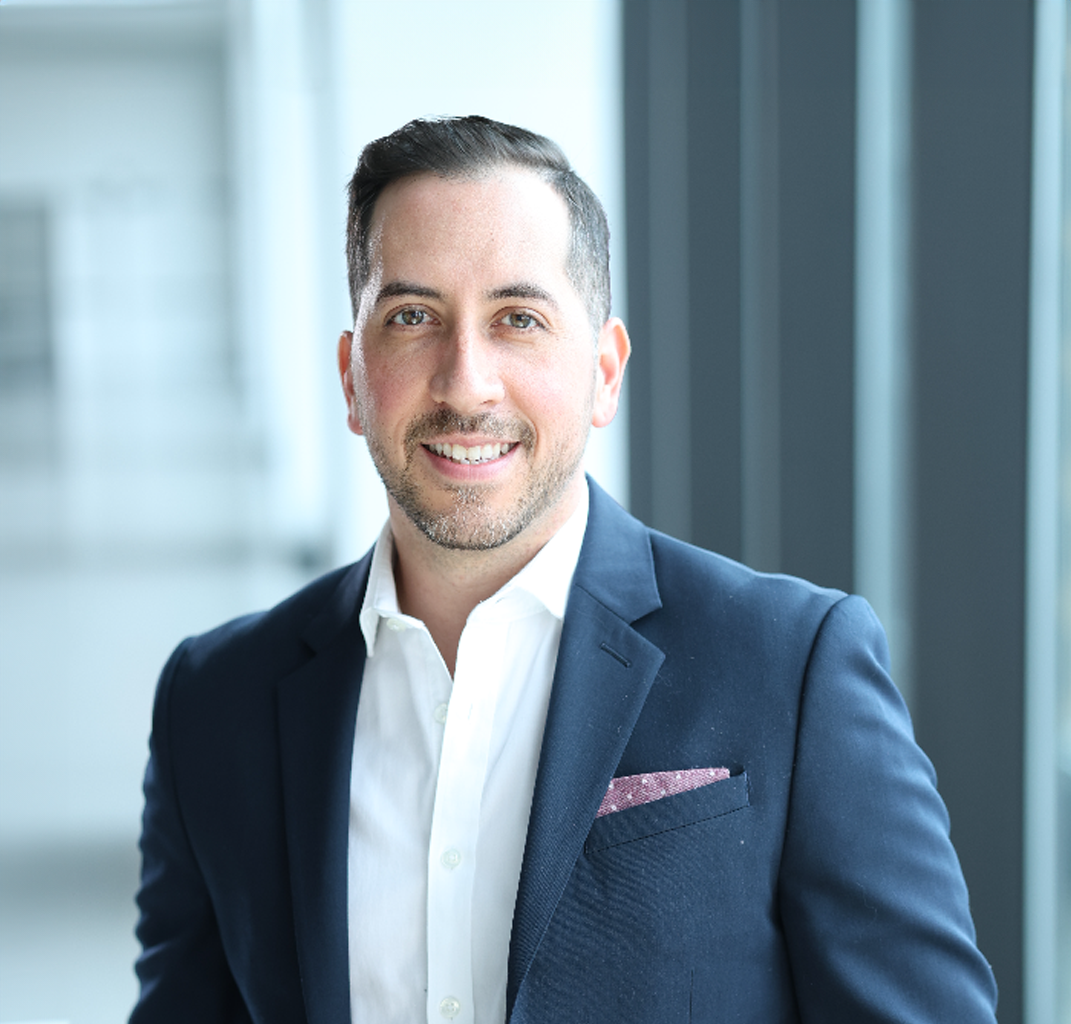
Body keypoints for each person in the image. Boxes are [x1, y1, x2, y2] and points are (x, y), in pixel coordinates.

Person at [130, 115, 998, 1024]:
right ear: (352, 377)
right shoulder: (213, 702)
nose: (466, 384)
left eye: (519, 319)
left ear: (603, 372)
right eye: (413, 317)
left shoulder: (790, 667)